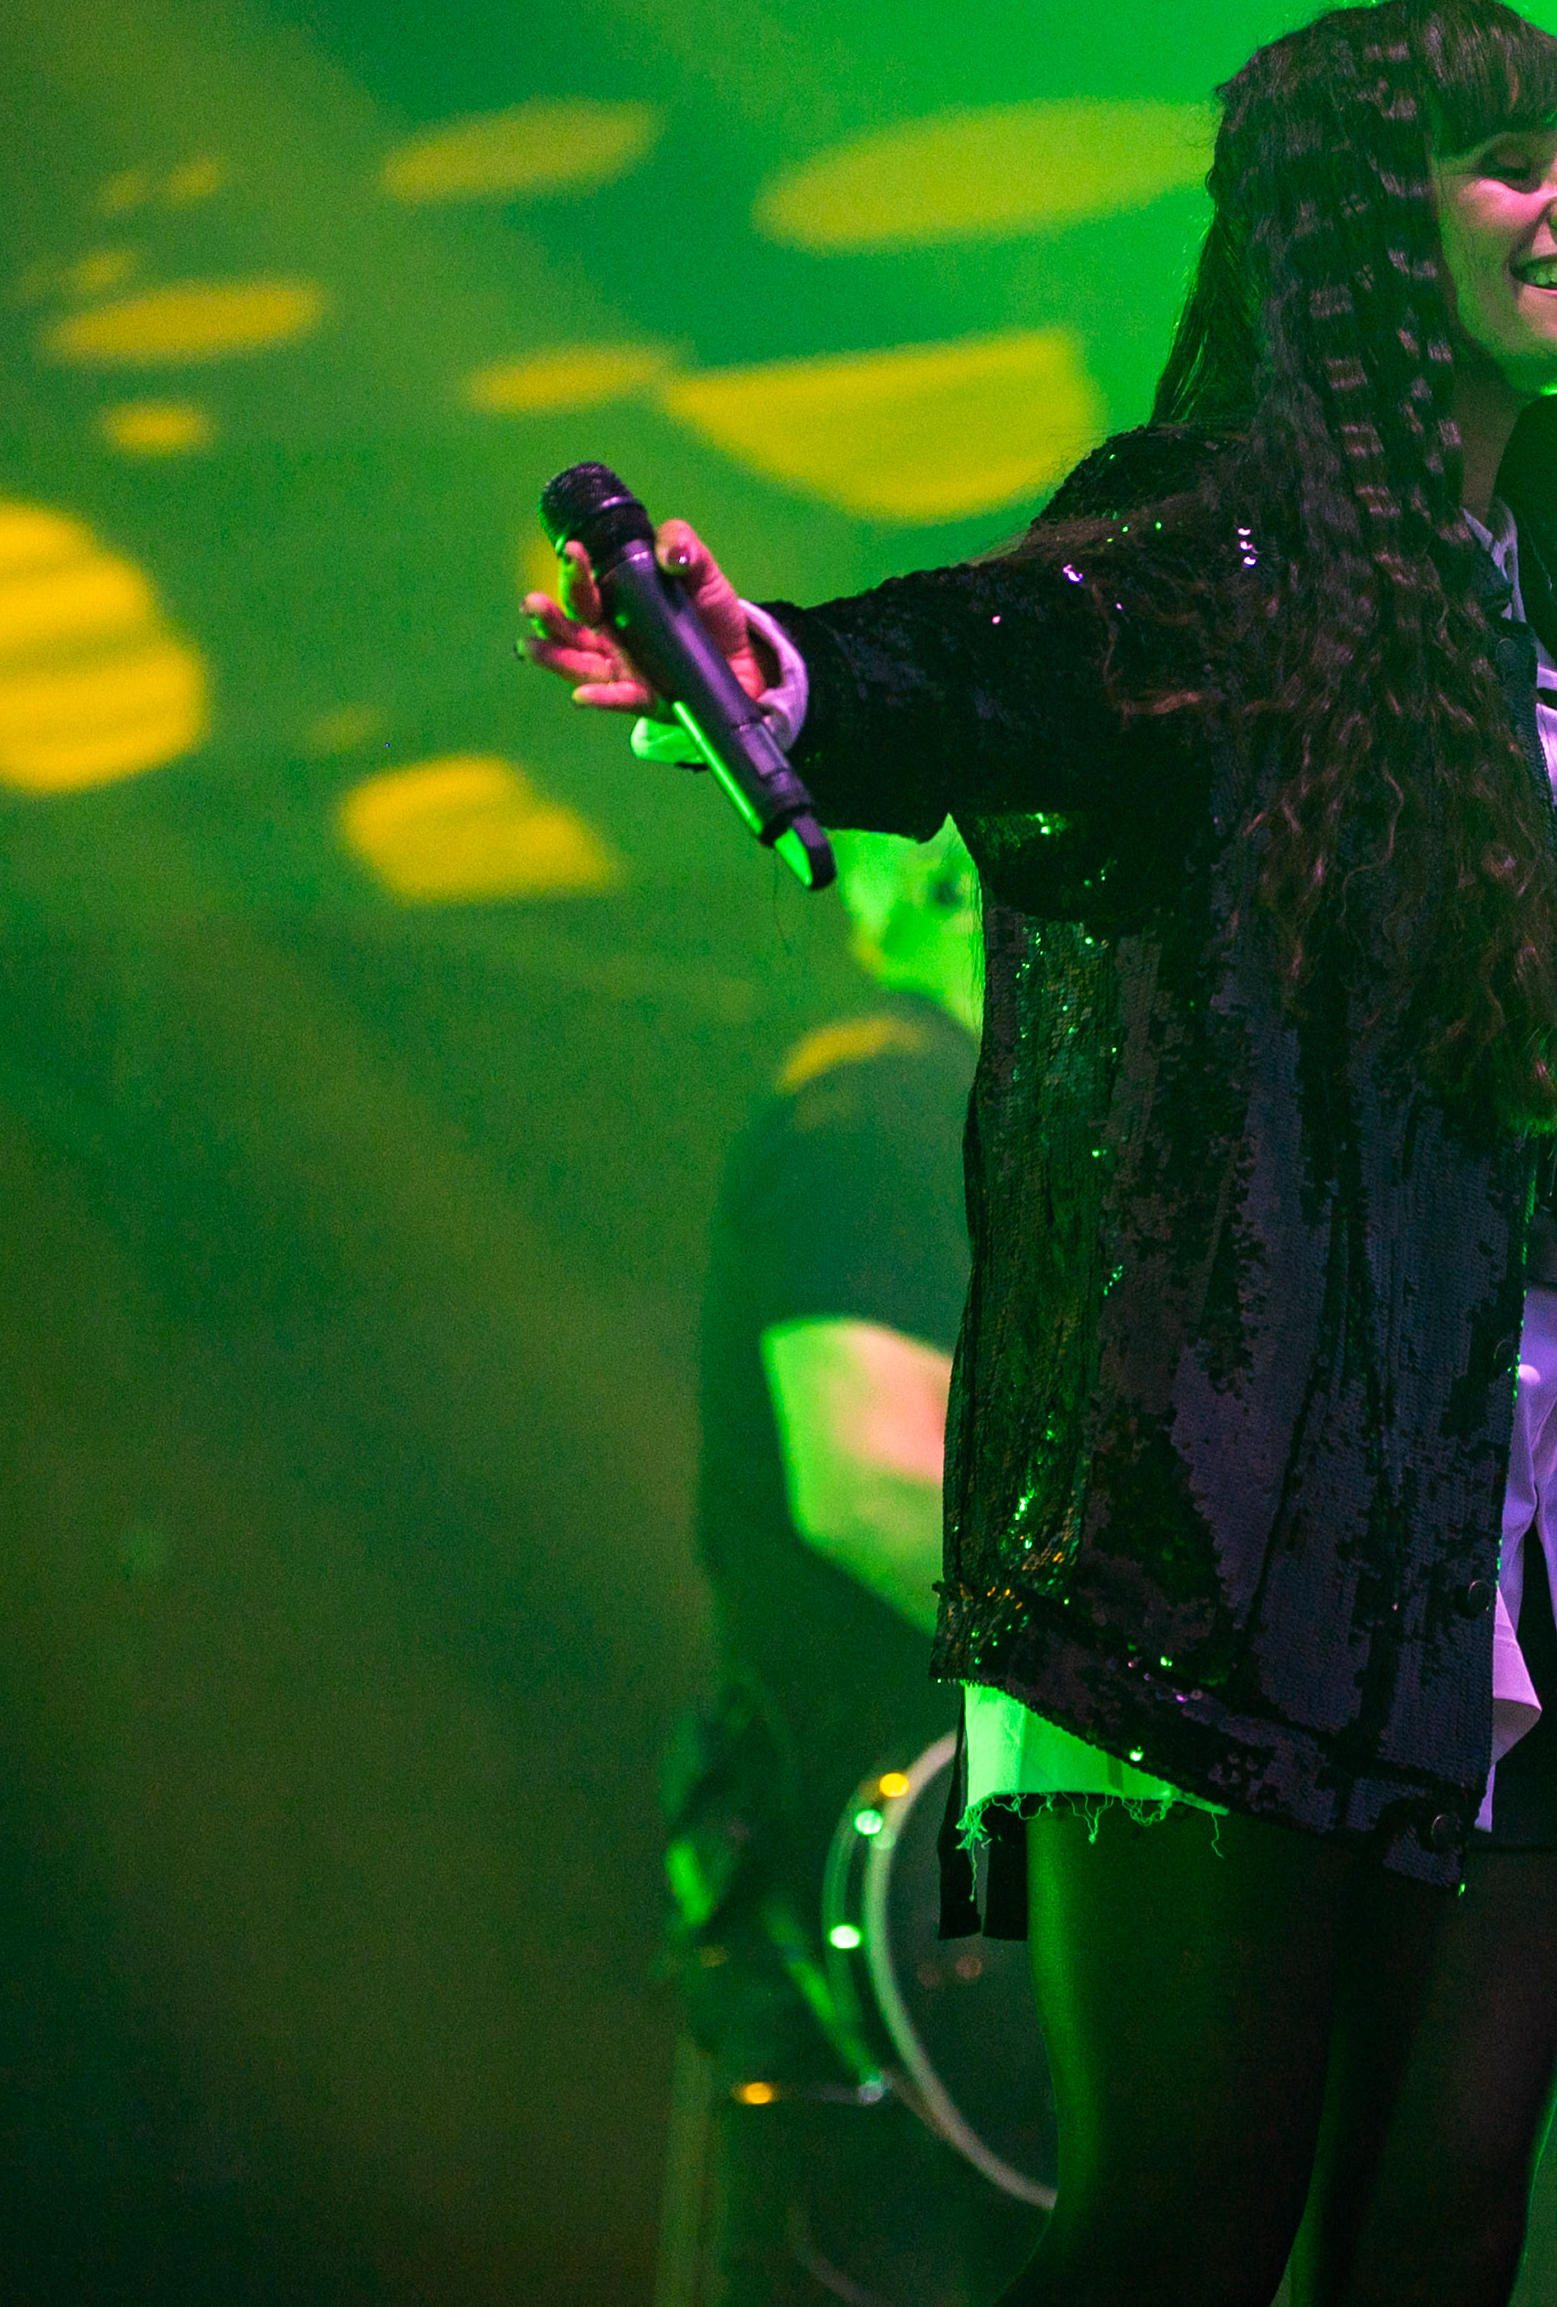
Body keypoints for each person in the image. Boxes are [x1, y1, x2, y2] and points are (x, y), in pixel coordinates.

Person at [528, 0, 1557, 2307]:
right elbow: (996, 655)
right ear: (1364, 233)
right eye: (1512, 158)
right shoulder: (1221, 562)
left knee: (1444, 2213)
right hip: (1239, 1518)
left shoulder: (1550, 625)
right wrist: (779, 673)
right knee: (1184, 2221)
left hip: (1512, 1516)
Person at [657, 822, 1041, 2306]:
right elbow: (874, 1483)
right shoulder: (886, 1102)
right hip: (895, 1923)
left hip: (970, 1926)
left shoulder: (1024, 1131)